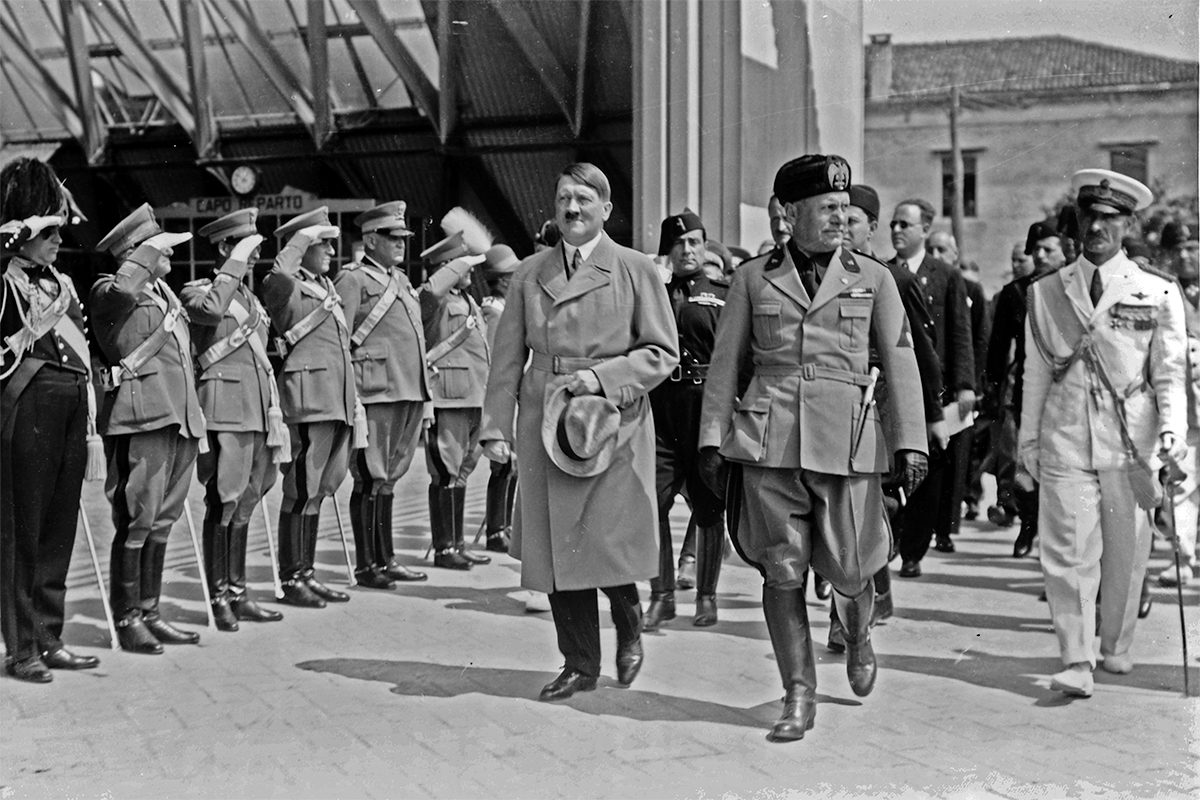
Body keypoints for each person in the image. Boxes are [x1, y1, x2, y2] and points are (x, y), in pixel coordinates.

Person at [699, 155, 928, 741]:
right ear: (789, 212)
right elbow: (726, 364)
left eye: (844, 207)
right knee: (780, 571)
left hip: (848, 442)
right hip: (768, 440)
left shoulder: (874, 277)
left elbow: (900, 361)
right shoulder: (753, 277)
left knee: (854, 570)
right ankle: (798, 693)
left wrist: (910, 443)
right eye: (827, 207)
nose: (840, 217)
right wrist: (711, 438)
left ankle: (857, 633)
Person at [479, 162, 679, 701]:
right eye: (565, 198)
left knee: (606, 536)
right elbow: (505, 361)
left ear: (606, 210)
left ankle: (630, 622)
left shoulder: (636, 270)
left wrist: (603, 377)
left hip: (611, 421)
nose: (572, 209)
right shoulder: (529, 272)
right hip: (546, 419)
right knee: (559, 544)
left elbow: (661, 353)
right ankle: (579, 663)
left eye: (584, 200)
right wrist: (495, 428)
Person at [1020, 169, 1188, 697]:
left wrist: (1172, 433)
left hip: (1131, 442)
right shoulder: (1045, 292)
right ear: (1076, 223)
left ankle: (1114, 645)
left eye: (1109, 219)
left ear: (1127, 225)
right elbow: (1035, 374)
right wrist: (1028, 443)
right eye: (1088, 217)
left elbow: (1169, 372)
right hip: (1065, 436)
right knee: (1067, 551)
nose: (1096, 227)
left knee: (1125, 555)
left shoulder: (1156, 291)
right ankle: (1076, 657)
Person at [826, 183, 945, 649]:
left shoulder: (890, 279)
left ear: (871, 228)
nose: (841, 226)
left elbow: (919, 357)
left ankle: (853, 615)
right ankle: (868, 598)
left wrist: (926, 422)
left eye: (852, 219)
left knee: (867, 513)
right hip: (835, 413)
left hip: (879, 413)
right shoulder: (819, 275)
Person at [0, 158, 101, 681]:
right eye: (49, 230)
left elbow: (82, 353)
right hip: (27, 408)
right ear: (22, 231)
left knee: (59, 529)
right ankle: (21, 648)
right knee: (23, 531)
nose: (60, 239)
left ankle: (49, 635)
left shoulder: (63, 284)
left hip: (68, 406)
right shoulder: (4, 281)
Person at [90, 204, 206, 653]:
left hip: (177, 414)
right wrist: (143, 256)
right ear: (138, 254)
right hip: (141, 416)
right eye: (161, 249)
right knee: (137, 517)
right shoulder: (109, 290)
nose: (170, 256)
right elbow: (120, 293)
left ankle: (151, 610)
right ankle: (127, 616)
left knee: (163, 517)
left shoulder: (164, 294)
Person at [181, 208, 286, 630]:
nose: (254, 256)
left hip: (258, 408)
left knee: (248, 498)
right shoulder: (198, 290)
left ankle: (238, 590)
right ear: (225, 247)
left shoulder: (252, 300)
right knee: (224, 499)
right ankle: (218, 594)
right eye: (246, 247)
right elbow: (208, 310)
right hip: (225, 408)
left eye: (255, 248)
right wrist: (233, 264)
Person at [261, 207, 356, 608]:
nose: (332, 251)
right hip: (308, 398)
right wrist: (300, 238)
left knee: (316, 491)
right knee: (301, 489)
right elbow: (280, 274)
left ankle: (307, 572)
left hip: (333, 397)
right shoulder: (287, 286)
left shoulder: (325, 287)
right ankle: (291, 576)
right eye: (324, 243)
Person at [333, 201, 430, 589]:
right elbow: (341, 338)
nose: (400, 243)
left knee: (389, 477)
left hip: (406, 387)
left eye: (403, 237)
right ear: (370, 239)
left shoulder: (402, 280)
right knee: (371, 478)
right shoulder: (352, 279)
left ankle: (386, 557)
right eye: (392, 237)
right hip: (374, 389)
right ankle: (367, 564)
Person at [642, 210, 730, 630]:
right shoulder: (651, 291)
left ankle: (707, 597)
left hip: (706, 408)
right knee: (654, 502)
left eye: (695, 241)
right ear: (667, 250)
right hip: (660, 409)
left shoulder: (721, 293)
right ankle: (661, 596)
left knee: (710, 506)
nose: (688, 250)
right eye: (678, 244)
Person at [886, 198, 975, 578]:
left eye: (905, 224)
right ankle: (891, 539)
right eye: (893, 224)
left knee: (929, 472)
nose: (897, 231)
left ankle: (912, 550)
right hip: (894, 387)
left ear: (925, 229)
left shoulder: (945, 274)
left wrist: (966, 385)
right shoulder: (883, 271)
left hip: (933, 390)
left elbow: (959, 333)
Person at [984, 220, 1067, 556]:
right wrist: (992, 387)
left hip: (1066, 391)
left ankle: (1051, 536)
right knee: (1024, 462)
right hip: (1026, 391)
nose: (1042, 255)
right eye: (1037, 250)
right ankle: (1028, 522)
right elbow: (998, 346)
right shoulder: (1016, 293)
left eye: (1049, 248)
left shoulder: (1073, 288)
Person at [419, 214, 494, 570]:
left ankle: (457, 542)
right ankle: (444, 547)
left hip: (473, 395)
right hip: (448, 394)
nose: (470, 272)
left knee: (461, 470)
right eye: (461, 264)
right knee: (445, 471)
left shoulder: (468, 300)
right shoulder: (434, 300)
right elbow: (432, 290)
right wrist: (464, 259)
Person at [925, 231, 989, 546]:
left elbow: (976, 339)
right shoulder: (920, 284)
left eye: (942, 249)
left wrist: (971, 385)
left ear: (954, 253)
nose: (935, 254)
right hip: (930, 384)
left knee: (956, 460)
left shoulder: (970, 289)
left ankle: (946, 529)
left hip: (957, 388)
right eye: (931, 248)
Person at [1153, 220, 1199, 587]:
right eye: (1178, 250)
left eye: (1192, 247)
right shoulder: (1161, 292)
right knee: (1181, 481)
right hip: (1184, 405)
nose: (1185, 256)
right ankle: (1182, 556)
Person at [480, 244, 520, 553]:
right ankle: (496, 529)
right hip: (504, 397)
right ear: (503, 281)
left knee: (512, 467)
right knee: (502, 466)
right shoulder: (494, 313)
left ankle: (503, 525)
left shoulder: (505, 309)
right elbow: (497, 362)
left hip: (515, 397)